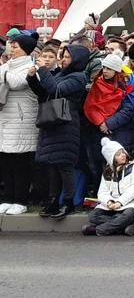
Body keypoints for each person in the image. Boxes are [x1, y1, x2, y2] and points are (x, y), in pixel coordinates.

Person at [27, 44, 89, 219]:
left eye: (67, 57)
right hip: (52, 121)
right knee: (52, 164)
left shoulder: (78, 77)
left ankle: (68, 202)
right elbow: (44, 93)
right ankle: (53, 200)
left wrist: (44, 70)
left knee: (64, 165)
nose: (63, 59)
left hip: (66, 123)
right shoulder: (61, 74)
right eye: (63, 55)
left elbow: (57, 90)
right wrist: (32, 78)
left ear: (76, 60)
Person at [83, 54, 134, 191]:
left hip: (122, 134)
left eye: (109, 68)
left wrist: (109, 123)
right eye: (104, 67)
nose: (105, 71)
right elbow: (91, 106)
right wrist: (100, 122)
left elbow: (128, 110)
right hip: (100, 134)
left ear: (116, 70)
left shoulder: (127, 86)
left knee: (122, 168)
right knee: (102, 167)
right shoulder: (97, 84)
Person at [0, 34, 40, 215]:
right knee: (6, 162)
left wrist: (4, 72)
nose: (12, 49)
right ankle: (8, 198)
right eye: (11, 46)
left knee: (20, 163)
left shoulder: (30, 66)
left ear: (25, 49)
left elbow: (17, 83)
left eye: (15, 46)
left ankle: (21, 200)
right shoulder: (8, 65)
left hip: (22, 121)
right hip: (6, 119)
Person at [83, 138, 134, 236]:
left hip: (130, 202)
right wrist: (109, 202)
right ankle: (122, 227)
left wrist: (120, 202)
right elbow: (102, 192)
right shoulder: (107, 171)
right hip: (112, 204)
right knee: (92, 216)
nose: (123, 155)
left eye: (123, 152)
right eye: (118, 154)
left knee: (127, 215)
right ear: (112, 158)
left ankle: (98, 230)